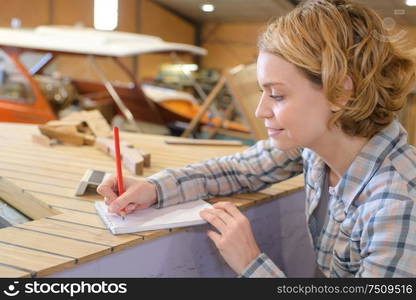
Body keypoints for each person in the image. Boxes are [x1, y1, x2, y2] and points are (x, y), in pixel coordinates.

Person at [97, 0, 416, 277]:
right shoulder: (317, 148)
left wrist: (251, 264)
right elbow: (237, 169)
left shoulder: (397, 205)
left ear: (340, 92)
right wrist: (153, 188)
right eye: (263, 92)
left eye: (277, 95)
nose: (262, 110)